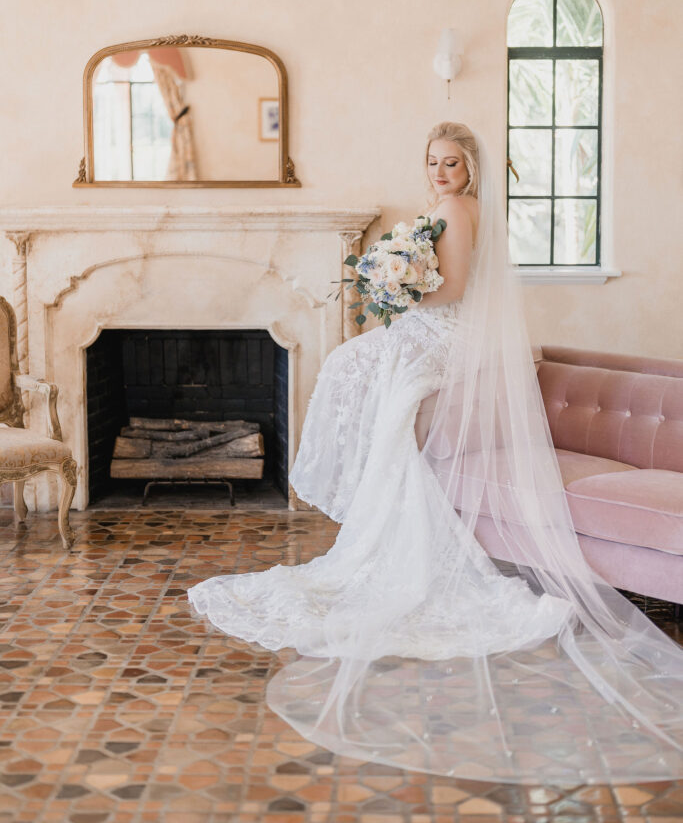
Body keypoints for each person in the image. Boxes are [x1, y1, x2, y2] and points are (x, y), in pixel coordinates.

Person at [188, 122, 683, 785]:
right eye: (432, 161)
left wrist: (396, 291)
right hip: (431, 325)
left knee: (352, 365)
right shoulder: (452, 206)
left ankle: (370, 507)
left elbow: (451, 290)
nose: (440, 171)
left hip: (443, 329)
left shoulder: (456, 210)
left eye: (450, 162)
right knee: (357, 367)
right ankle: (372, 495)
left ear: (468, 167)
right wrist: (394, 286)